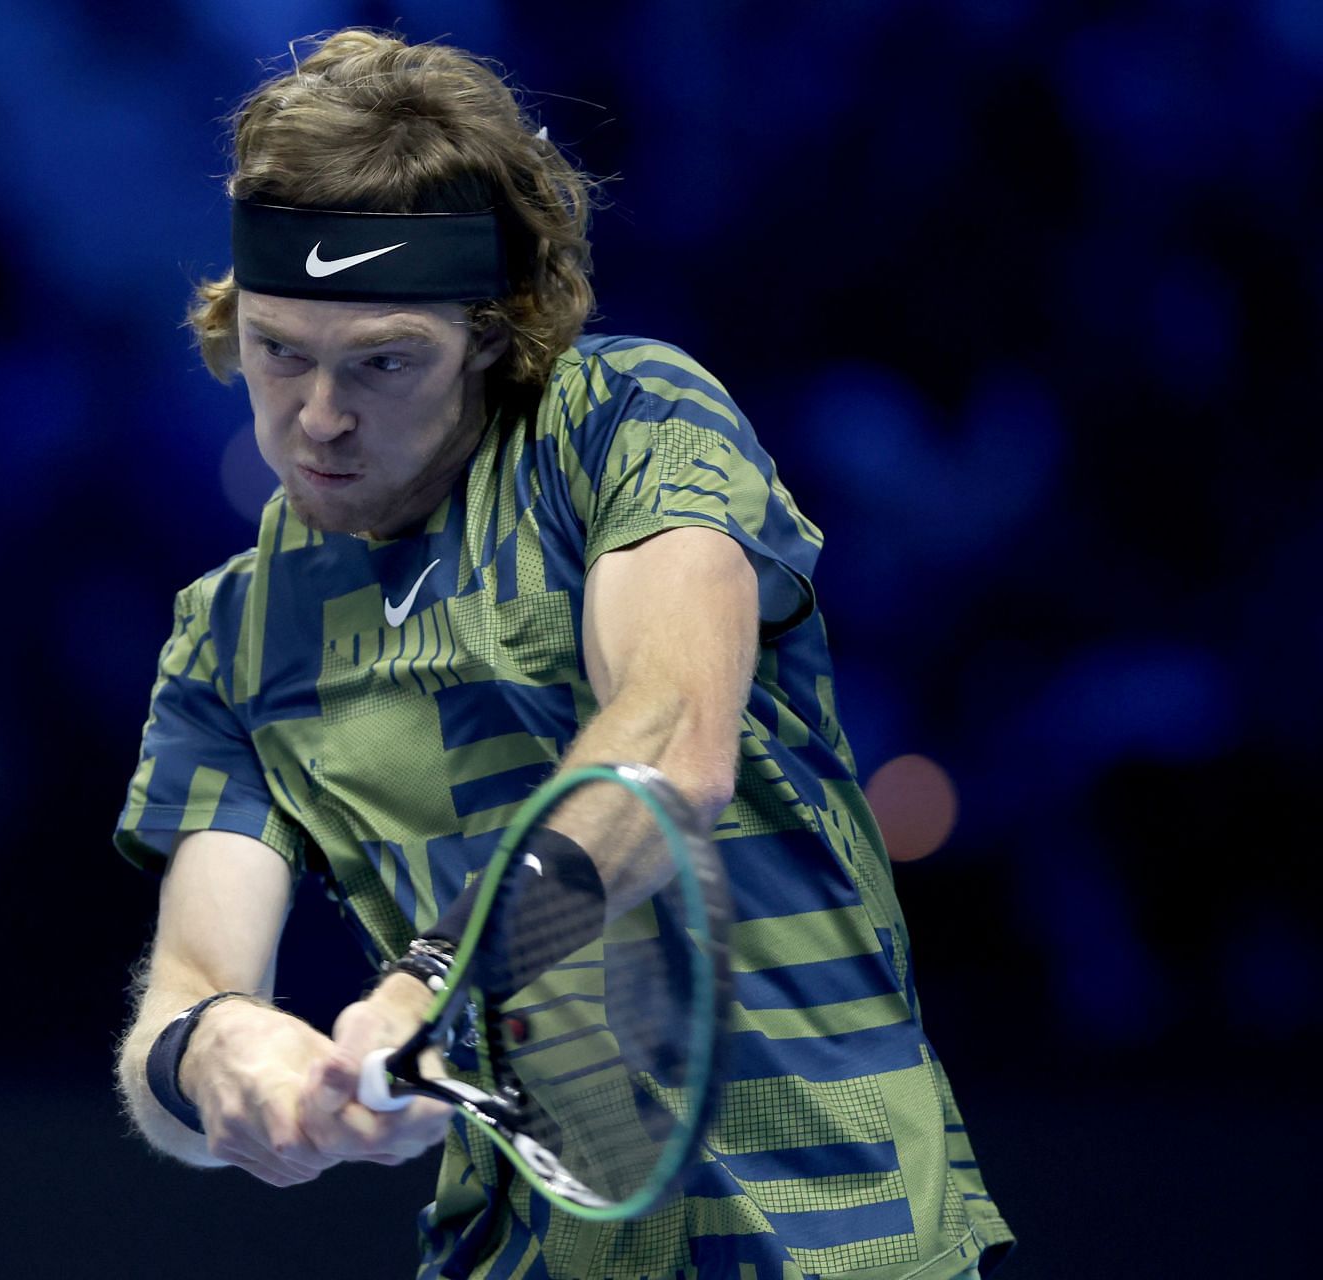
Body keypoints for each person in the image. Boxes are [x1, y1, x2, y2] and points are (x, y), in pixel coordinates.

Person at [112, 28, 1014, 1280]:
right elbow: (189, 991)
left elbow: (667, 755)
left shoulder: (627, 420)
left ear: (490, 330)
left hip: (832, 1236)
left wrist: (438, 983)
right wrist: (227, 1061)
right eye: (279, 351)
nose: (317, 416)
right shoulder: (231, 632)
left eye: (383, 361)